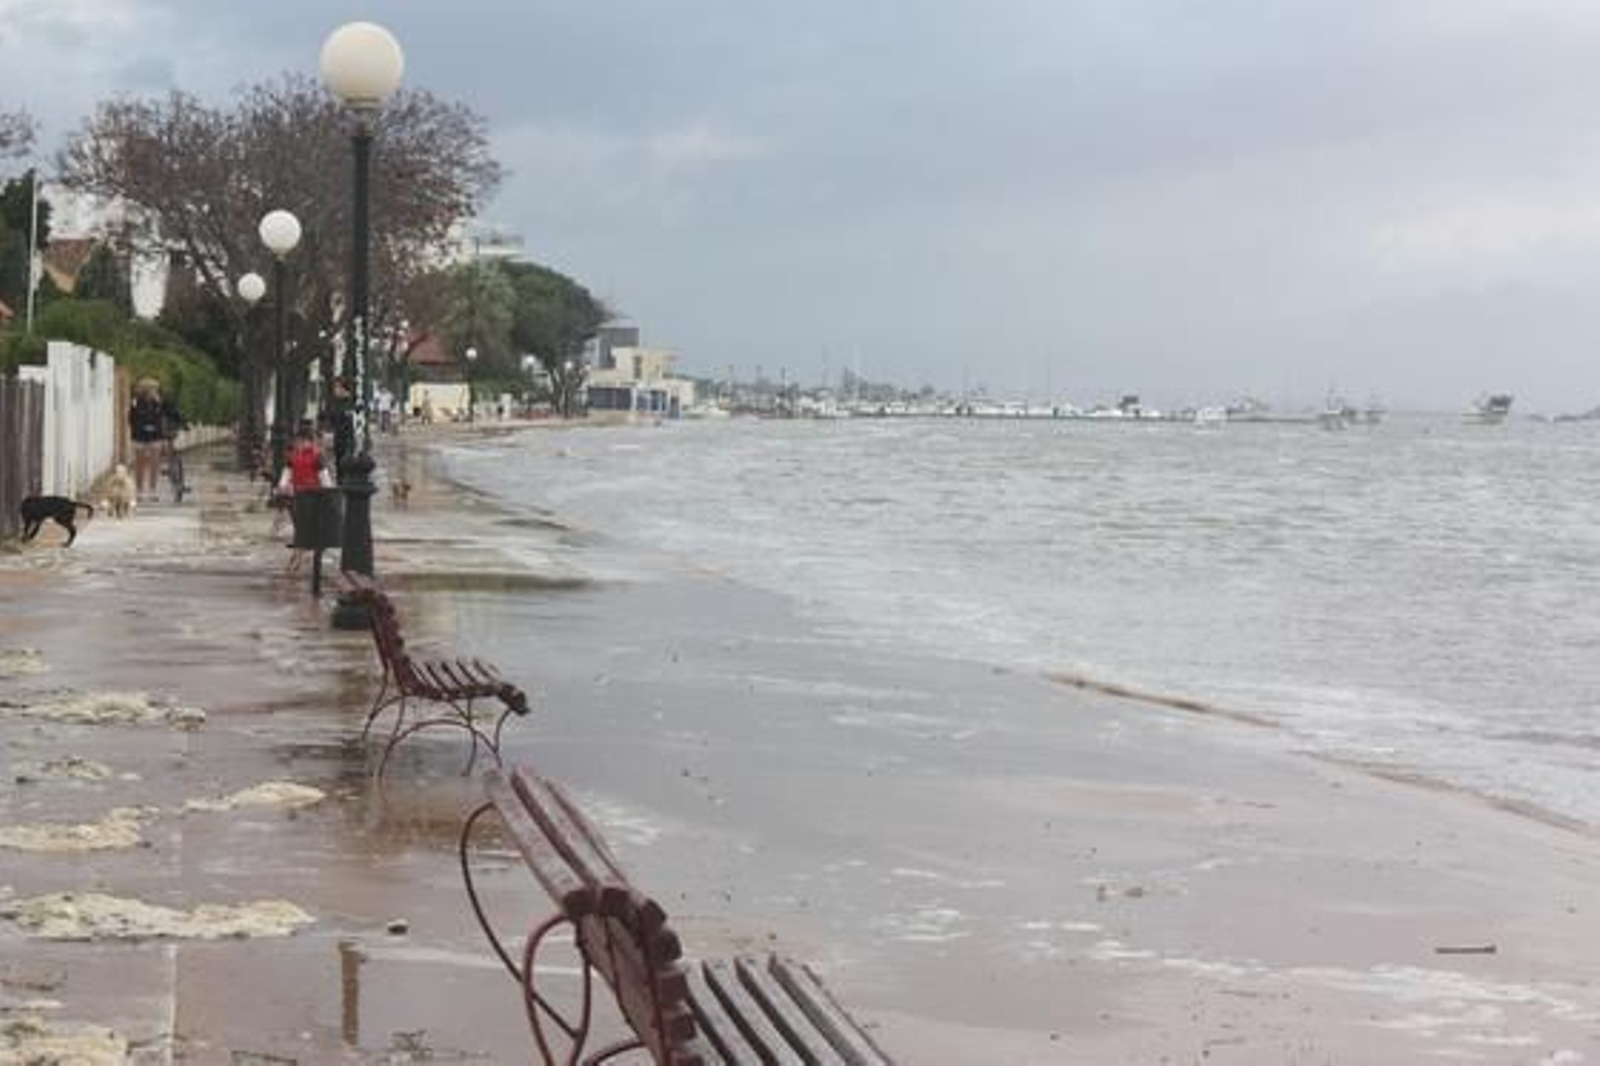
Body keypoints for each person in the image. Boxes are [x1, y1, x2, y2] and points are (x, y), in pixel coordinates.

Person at [129, 379, 166, 502]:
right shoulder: (135, 402)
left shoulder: (159, 402)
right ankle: (139, 490)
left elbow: (161, 416)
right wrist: (142, 426)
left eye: (155, 389)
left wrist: (159, 404)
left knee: (154, 463)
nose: (153, 391)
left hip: (155, 435)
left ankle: (152, 490)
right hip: (139, 435)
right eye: (151, 389)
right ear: (144, 390)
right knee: (140, 463)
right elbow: (131, 418)